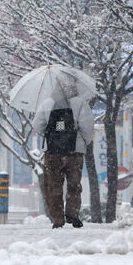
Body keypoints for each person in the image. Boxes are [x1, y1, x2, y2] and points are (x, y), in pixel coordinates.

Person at [32, 86, 94, 228]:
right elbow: (87, 127)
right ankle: (72, 214)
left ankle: (57, 219)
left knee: (54, 186)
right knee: (74, 184)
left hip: (53, 152)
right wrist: (84, 141)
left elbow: (37, 125)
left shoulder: (47, 103)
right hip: (75, 151)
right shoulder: (80, 102)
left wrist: (51, 134)